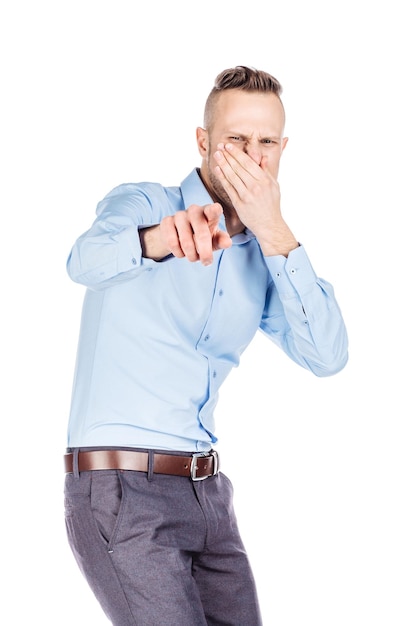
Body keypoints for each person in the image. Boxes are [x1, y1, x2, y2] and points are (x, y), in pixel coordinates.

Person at [64, 65, 349, 625]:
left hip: (209, 496)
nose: (252, 156)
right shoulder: (145, 203)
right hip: (122, 492)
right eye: (235, 140)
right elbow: (84, 261)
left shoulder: (266, 259)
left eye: (266, 142)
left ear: (283, 149)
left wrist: (275, 232)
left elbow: (328, 354)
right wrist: (158, 240)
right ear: (204, 142)